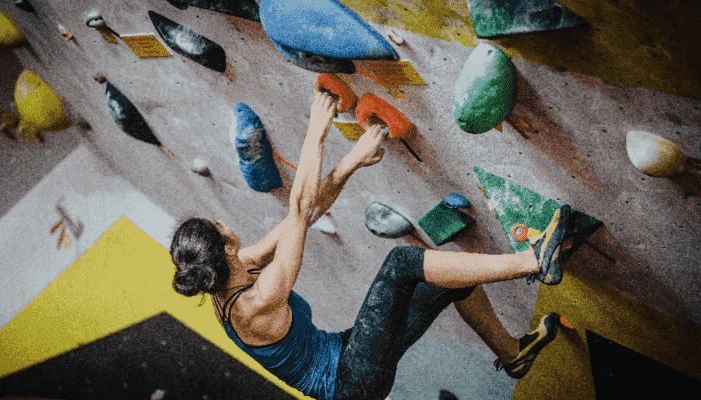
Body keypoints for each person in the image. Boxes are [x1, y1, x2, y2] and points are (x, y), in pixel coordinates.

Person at [169, 92, 571, 400]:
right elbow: (299, 207)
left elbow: (306, 216)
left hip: (349, 354)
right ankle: (534, 260)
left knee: (451, 277)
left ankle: (514, 353)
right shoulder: (255, 304)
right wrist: (317, 129)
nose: (222, 221)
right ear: (223, 246)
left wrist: (351, 163)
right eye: (217, 225)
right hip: (351, 382)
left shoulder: (238, 266)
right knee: (402, 264)